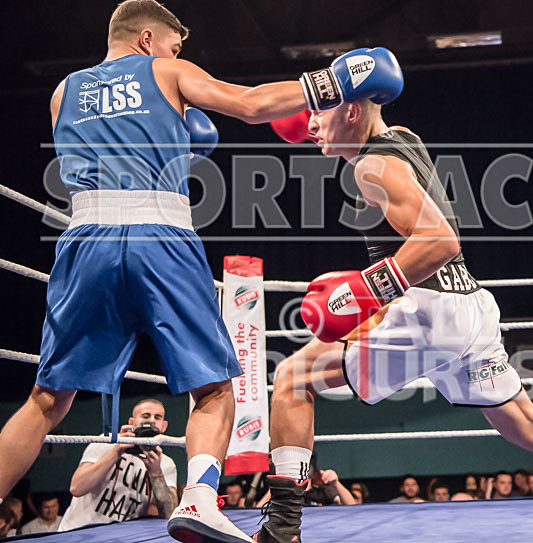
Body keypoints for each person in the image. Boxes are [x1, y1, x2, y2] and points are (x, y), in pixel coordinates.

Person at [0, 0, 403, 541]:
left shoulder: (63, 91)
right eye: (172, 44)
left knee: (47, 398)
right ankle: (197, 500)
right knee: (215, 387)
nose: (175, 53)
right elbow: (251, 103)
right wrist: (333, 82)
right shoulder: (164, 70)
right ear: (147, 39)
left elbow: (112, 152)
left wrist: (175, 143)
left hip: (83, 242)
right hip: (159, 238)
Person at [257, 101, 533, 542]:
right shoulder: (405, 139)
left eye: (320, 110)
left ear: (352, 111)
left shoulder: (370, 168)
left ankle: (282, 530)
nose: (309, 123)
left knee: (295, 376)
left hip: (426, 313)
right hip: (469, 306)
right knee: (532, 427)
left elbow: (440, 241)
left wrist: (363, 292)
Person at [58, 399, 177, 531]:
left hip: (120, 536)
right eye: (146, 416)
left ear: (164, 426)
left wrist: (156, 474)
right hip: (81, 532)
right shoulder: (106, 442)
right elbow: (77, 488)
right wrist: (116, 452)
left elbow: (169, 514)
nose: (152, 420)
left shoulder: (165, 463)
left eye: (157, 417)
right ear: (132, 422)